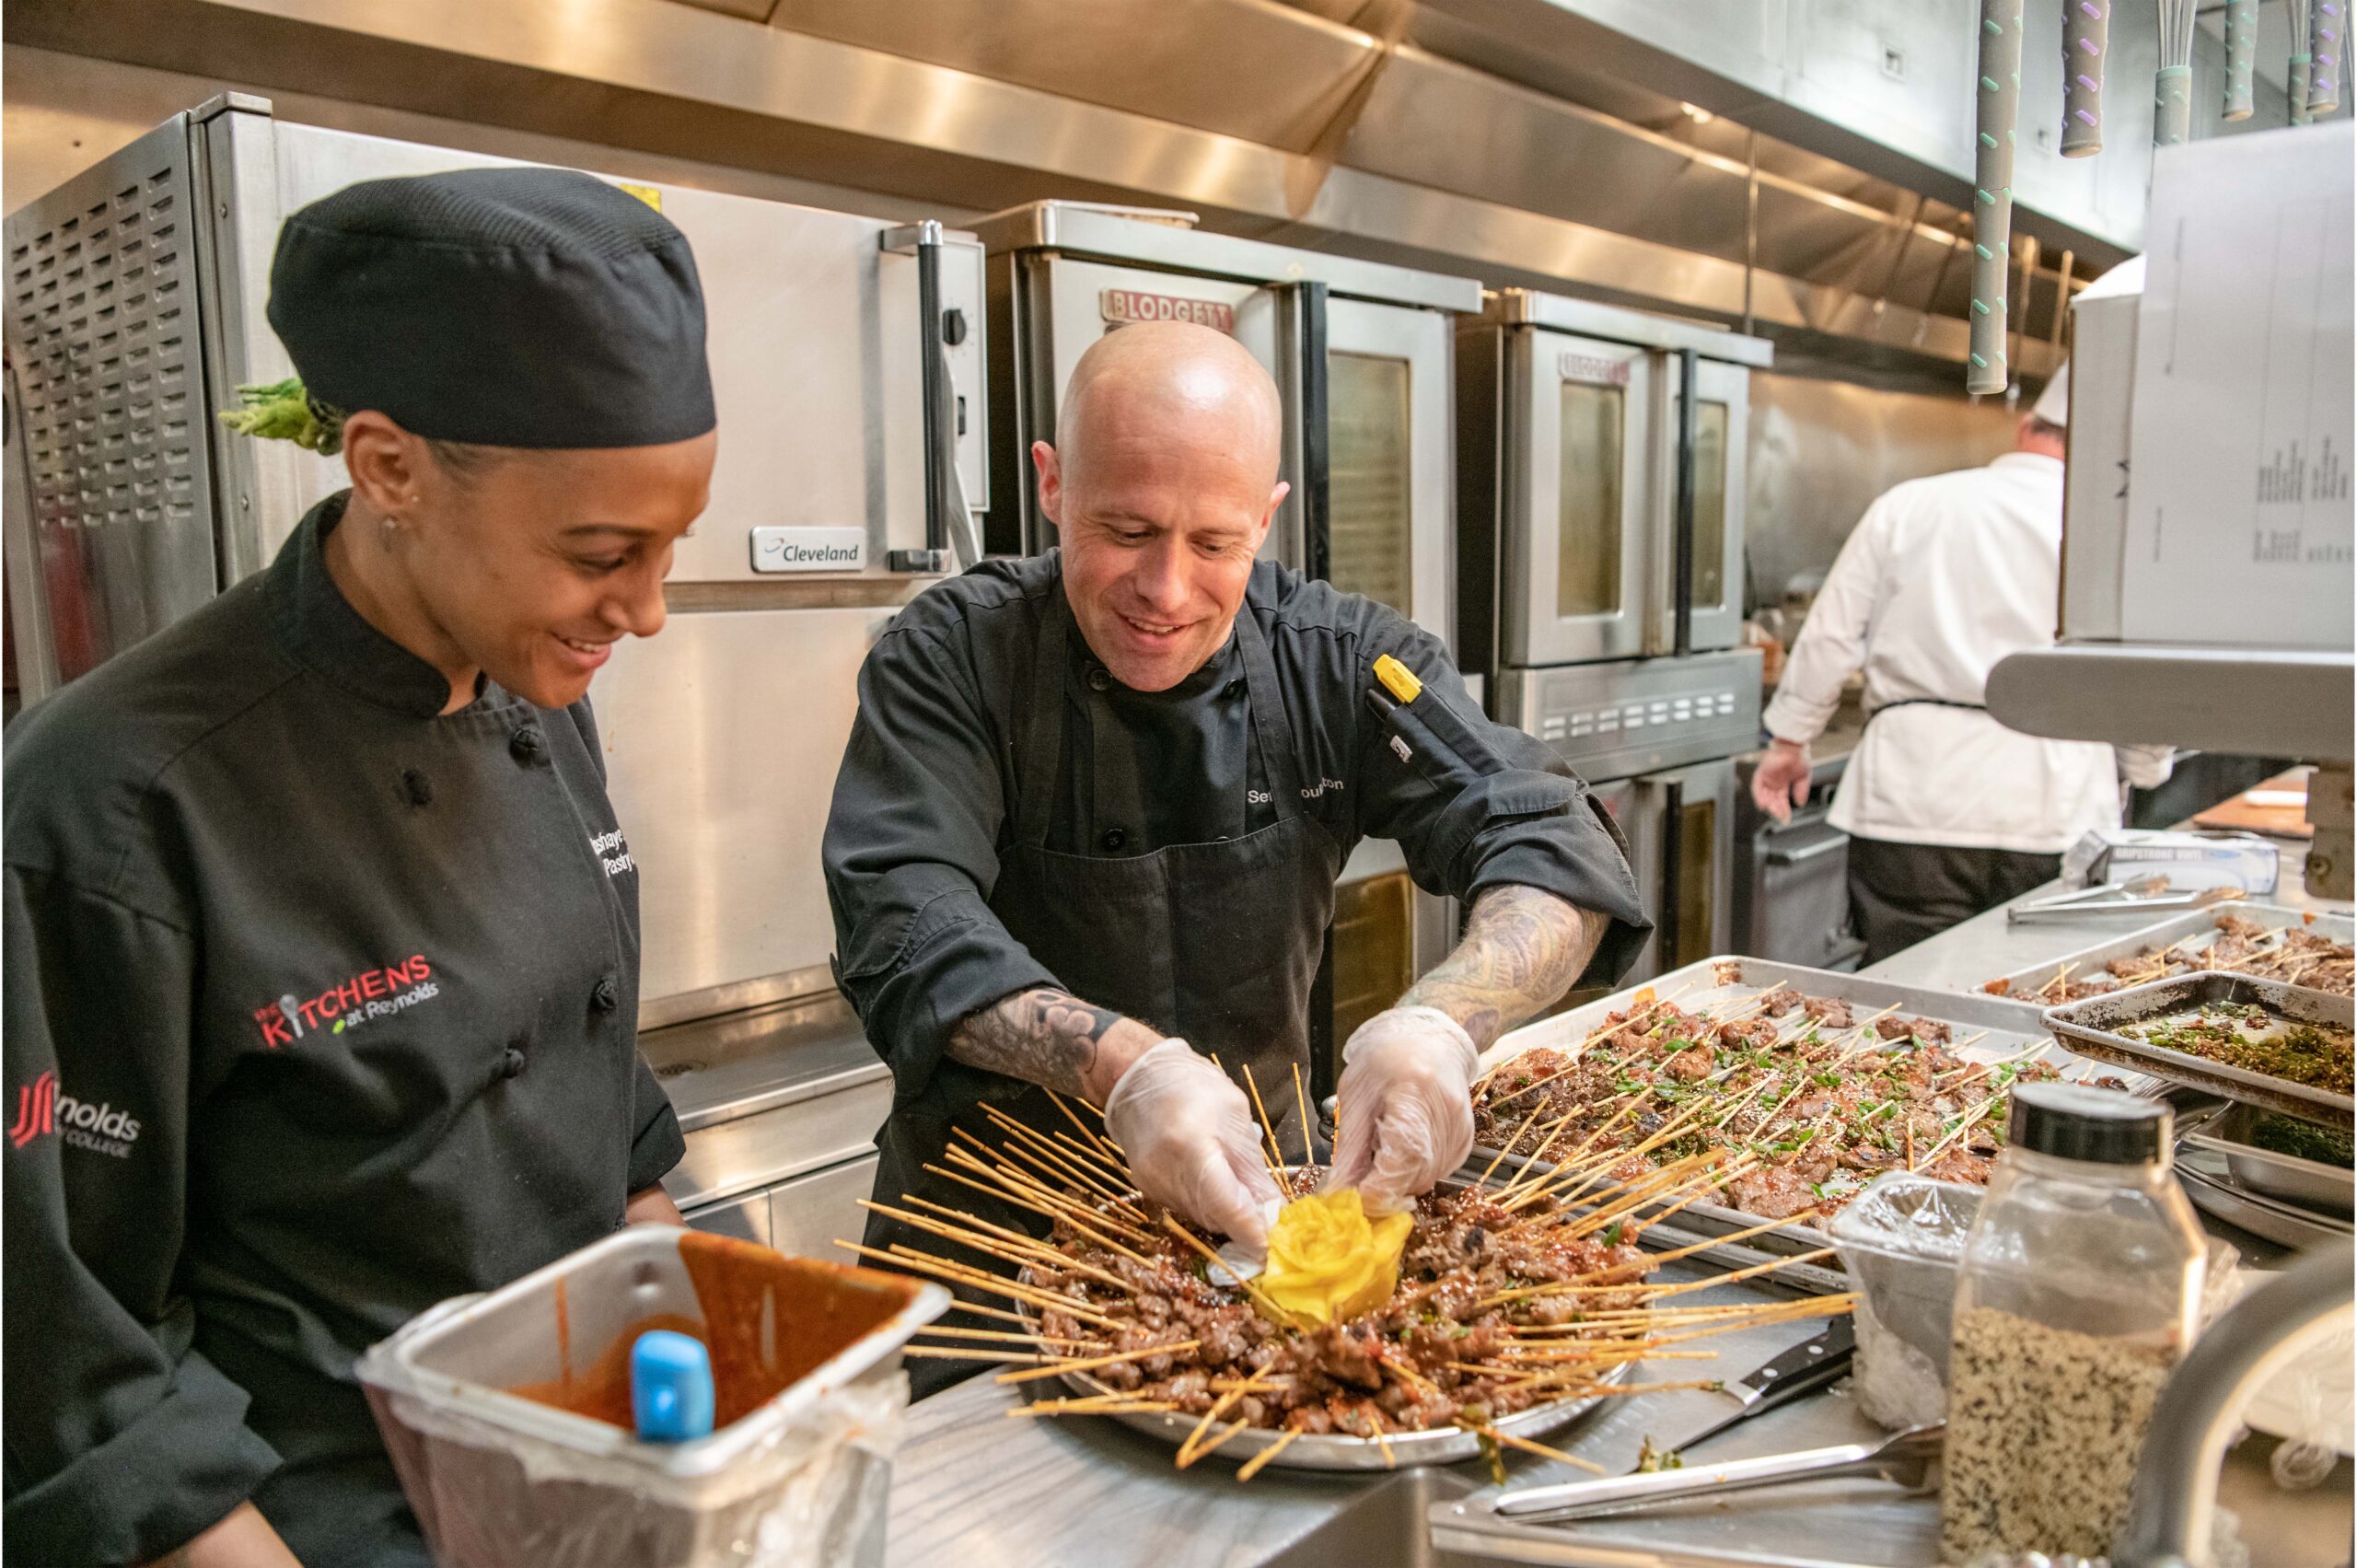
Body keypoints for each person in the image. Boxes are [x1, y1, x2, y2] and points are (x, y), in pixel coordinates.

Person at [4, 168, 719, 1567]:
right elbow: (69, 1350)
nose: (646, 609)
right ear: (387, 467)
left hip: (592, 1496)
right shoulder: (111, 804)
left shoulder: (539, 686)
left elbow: (598, 1099)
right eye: (601, 553)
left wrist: (698, 1401)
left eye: (669, 546)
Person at [823, 321, 1648, 1389]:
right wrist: (1126, 1068)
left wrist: (1449, 1017)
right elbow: (902, 919)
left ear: (1267, 516)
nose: (1166, 587)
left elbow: (1545, 830)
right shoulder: (948, 658)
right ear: (1052, 483)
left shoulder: (1343, 662)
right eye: (1125, 528)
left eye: (1215, 544)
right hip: (991, 1264)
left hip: (1269, 1241)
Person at [1751, 366, 2172, 962]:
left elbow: (1830, 634)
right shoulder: (2116, 534)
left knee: (1906, 992)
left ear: (2026, 426)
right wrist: (2136, 767)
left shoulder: (1910, 504)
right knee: (2040, 990)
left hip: (1913, 805)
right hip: (2056, 808)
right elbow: (2148, 676)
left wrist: (1790, 741)